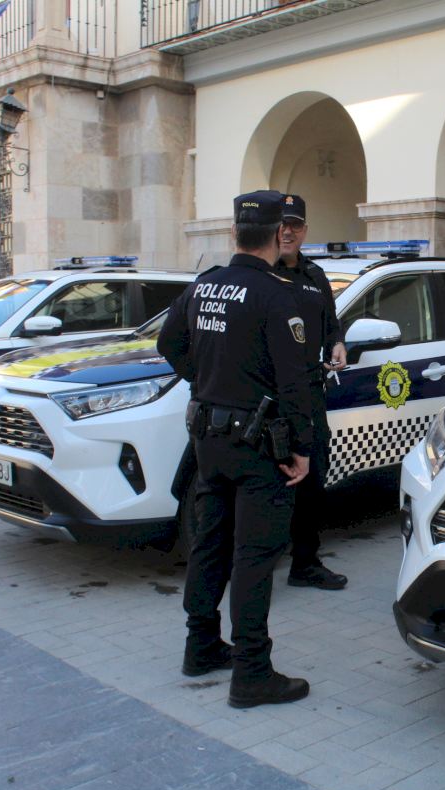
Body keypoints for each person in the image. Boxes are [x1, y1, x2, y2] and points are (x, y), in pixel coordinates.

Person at [157, 189, 315, 709]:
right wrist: (302, 446)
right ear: (277, 234)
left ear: (234, 233)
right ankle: (251, 671)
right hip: (258, 447)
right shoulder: (275, 295)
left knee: (210, 542)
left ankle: (200, 644)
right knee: (254, 555)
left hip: (209, 440)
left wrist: (205, 381)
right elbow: (294, 382)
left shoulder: (204, 286)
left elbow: (168, 344)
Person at [276, 194, 348, 591]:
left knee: (312, 480)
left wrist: (337, 344)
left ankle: (305, 563)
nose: (287, 231)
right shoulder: (261, 274)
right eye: (282, 224)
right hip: (269, 399)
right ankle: (254, 569)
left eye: (295, 225)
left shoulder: (316, 277)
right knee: (268, 485)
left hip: (309, 395)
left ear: (305, 230)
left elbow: (331, 324)